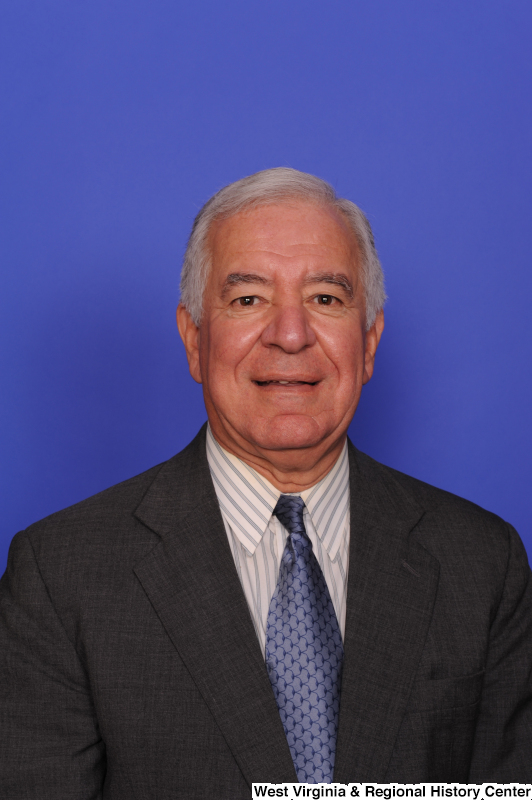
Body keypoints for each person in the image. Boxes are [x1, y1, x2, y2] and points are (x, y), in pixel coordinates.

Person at [1, 168, 531, 798]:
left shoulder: (481, 561)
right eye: (248, 298)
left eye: (326, 299)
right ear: (194, 338)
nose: (289, 333)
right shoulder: (60, 575)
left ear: (369, 343)